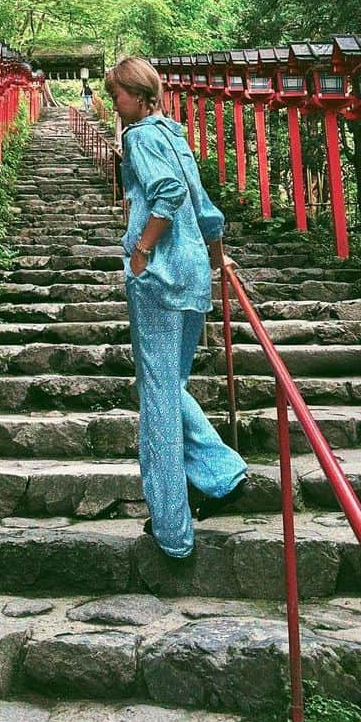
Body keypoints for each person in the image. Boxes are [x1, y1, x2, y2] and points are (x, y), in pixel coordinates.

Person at [104, 57, 249, 562]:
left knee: (159, 398)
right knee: (169, 385)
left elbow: (167, 193)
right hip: (192, 276)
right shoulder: (176, 135)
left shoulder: (140, 137)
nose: (113, 104)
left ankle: (173, 526)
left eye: (119, 94)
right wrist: (217, 258)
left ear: (141, 95)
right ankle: (218, 476)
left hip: (160, 275)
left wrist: (140, 251)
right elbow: (204, 206)